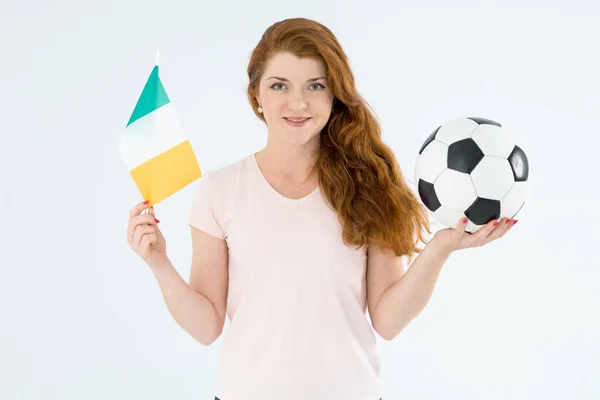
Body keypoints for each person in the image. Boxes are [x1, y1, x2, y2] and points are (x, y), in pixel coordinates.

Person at [126, 17, 517, 400]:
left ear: (335, 95)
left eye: (316, 86)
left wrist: (439, 249)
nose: (298, 103)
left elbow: (388, 320)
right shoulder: (219, 190)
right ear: (256, 96)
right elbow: (207, 326)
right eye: (279, 85)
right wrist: (159, 263)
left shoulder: (369, 185)